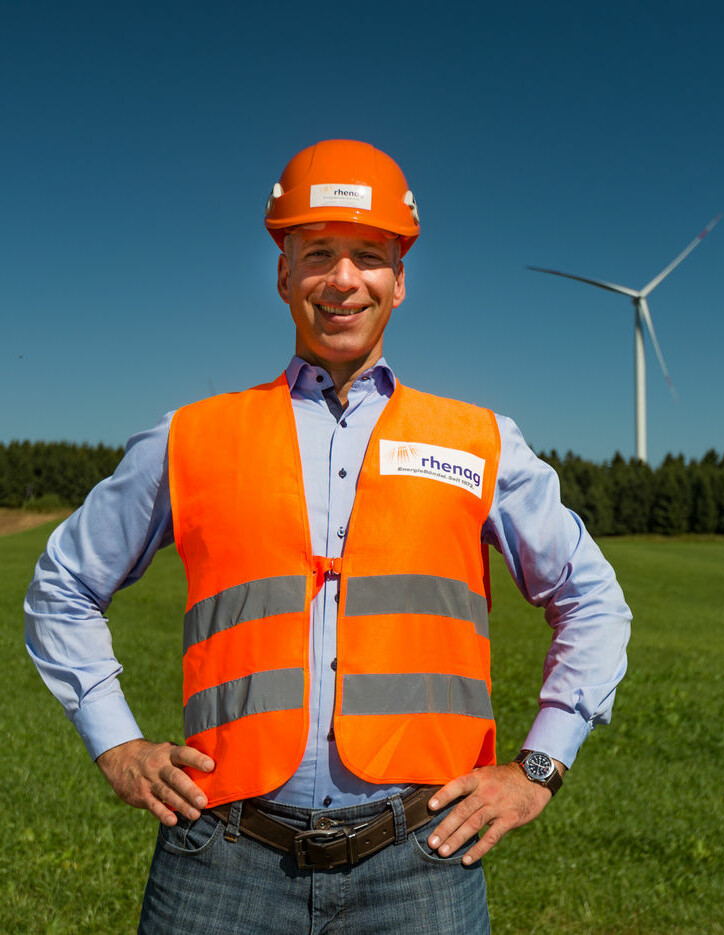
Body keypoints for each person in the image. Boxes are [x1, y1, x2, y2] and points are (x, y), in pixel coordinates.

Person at [25, 139, 631, 934]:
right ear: (283, 274)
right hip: (219, 859)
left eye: (369, 256)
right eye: (318, 253)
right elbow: (62, 587)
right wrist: (117, 746)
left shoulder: (479, 441)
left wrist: (539, 767)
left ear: (399, 279)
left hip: (423, 860)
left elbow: (592, 600)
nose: (343, 279)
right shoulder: (191, 438)